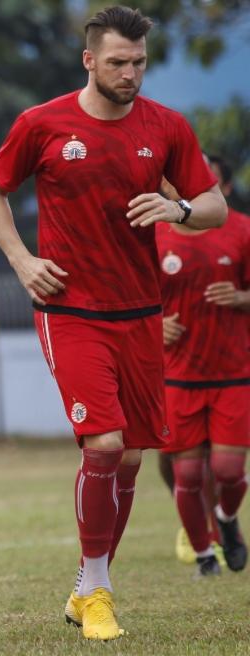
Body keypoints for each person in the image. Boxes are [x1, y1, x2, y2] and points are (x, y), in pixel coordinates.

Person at [0, 6, 226, 641]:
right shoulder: (43, 123)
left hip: (142, 312)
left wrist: (176, 206)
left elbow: (214, 206)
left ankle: (87, 589)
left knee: (134, 457)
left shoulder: (166, 127)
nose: (130, 73)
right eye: (118, 62)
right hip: (71, 310)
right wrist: (22, 261)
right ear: (89, 60)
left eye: (139, 62)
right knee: (106, 444)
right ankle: (100, 592)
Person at [157, 165, 250, 576]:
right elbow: (130, 295)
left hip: (233, 372)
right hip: (177, 375)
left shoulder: (242, 230)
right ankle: (204, 555)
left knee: (229, 471)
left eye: (204, 177)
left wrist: (243, 297)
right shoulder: (152, 233)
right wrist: (152, 326)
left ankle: (226, 520)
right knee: (189, 473)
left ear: (222, 187)